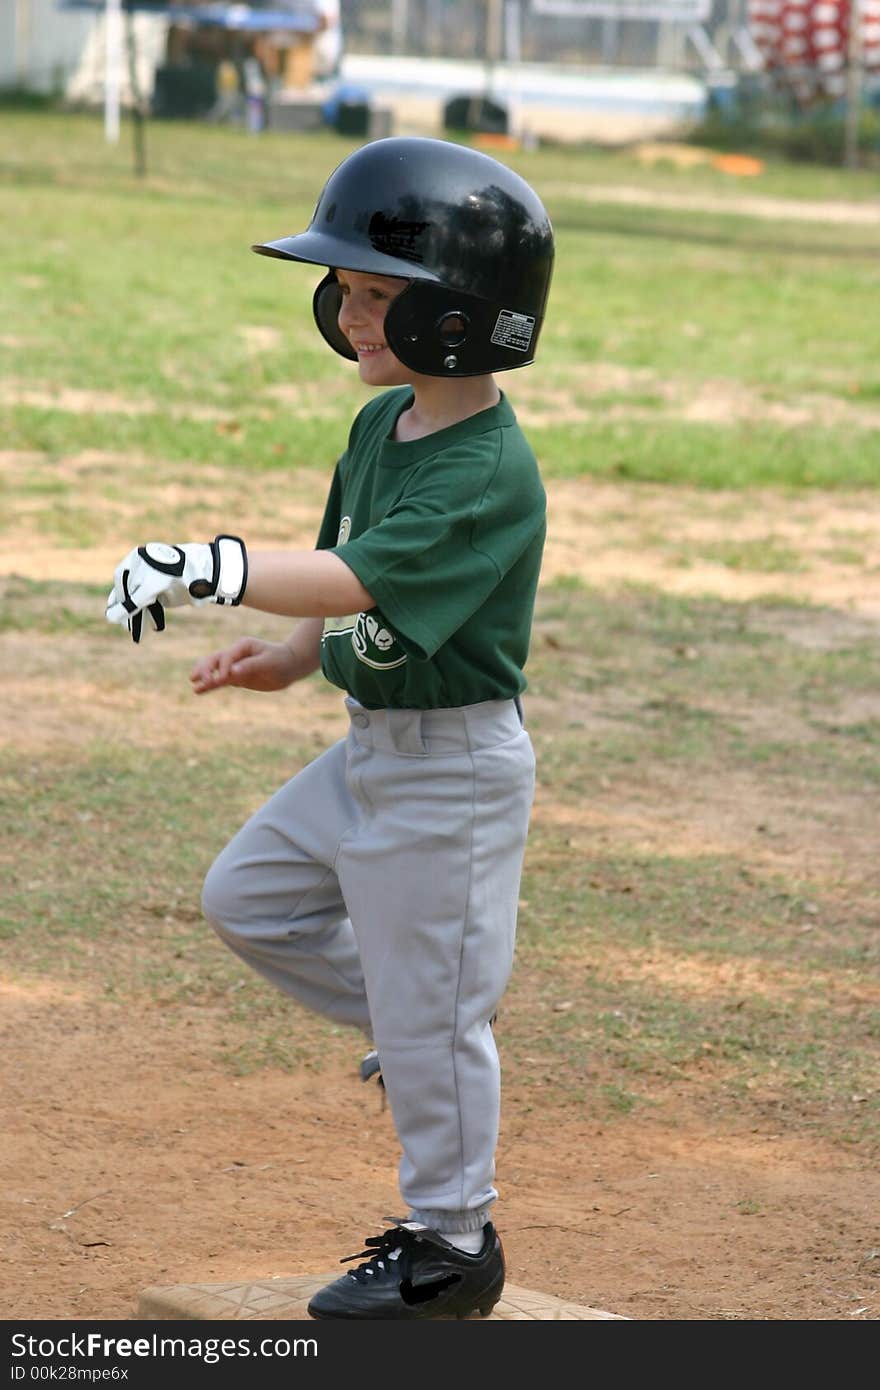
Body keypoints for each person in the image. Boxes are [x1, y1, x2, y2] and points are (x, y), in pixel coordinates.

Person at [105, 136, 554, 1321]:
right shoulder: (382, 429)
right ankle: (425, 1016)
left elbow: (357, 578)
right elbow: (343, 570)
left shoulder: (489, 471)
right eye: (345, 293)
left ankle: (453, 1244)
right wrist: (287, 656)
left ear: (462, 315)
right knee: (245, 895)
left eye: (377, 295)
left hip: (452, 766)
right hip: (372, 748)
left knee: (430, 1012)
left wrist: (206, 565)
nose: (351, 316)